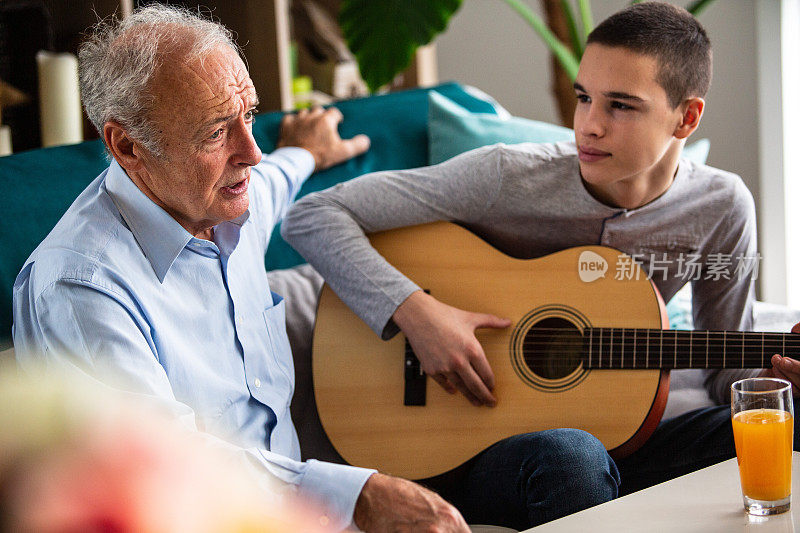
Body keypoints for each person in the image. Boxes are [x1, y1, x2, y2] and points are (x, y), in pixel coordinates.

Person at [282, 2, 783, 529]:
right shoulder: (506, 176)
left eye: (621, 106)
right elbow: (313, 215)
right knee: (572, 458)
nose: (588, 126)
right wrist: (418, 315)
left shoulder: (723, 206)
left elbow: (730, 371)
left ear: (687, 117)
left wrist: (776, 376)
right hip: (475, 451)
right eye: (584, 97)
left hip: (627, 440)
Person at [12, 5, 470, 532]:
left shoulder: (222, 201)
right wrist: (358, 497)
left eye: (249, 115)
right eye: (215, 133)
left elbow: (272, 176)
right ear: (128, 146)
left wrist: (304, 153)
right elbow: (165, 465)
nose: (251, 152)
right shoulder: (77, 288)